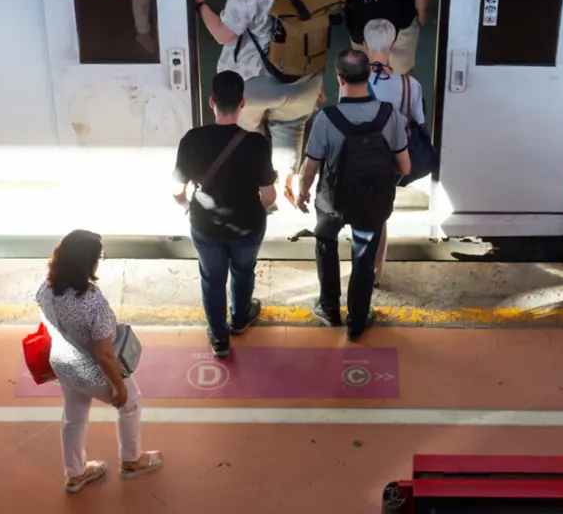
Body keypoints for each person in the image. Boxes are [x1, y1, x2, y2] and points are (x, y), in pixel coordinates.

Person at [196, 0, 324, 204]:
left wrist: (202, 6)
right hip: (303, 82)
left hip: (253, 84)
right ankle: (286, 186)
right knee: (290, 131)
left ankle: (257, 192)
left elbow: (223, 34)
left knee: (247, 135)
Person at [35, 230, 163, 493]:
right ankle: (132, 460)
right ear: (87, 263)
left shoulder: (45, 290)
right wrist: (118, 386)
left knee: (74, 416)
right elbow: (104, 355)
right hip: (93, 374)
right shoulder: (93, 303)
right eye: (98, 256)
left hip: (63, 363)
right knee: (130, 405)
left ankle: (76, 474)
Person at [297, 50, 410, 342]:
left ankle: (329, 308)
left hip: (332, 202)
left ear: (339, 78)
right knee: (363, 257)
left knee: (325, 244)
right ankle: (357, 322)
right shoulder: (389, 115)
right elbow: (405, 165)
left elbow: (310, 167)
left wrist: (303, 192)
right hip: (372, 202)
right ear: (369, 76)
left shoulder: (326, 118)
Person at [173, 70, 277, 357]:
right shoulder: (257, 144)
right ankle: (241, 319)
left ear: (211, 102)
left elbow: (176, 190)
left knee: (212, 278)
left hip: (206, 226)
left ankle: (219, 338)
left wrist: (185, 205)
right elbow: (268, 196)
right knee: (243, 271)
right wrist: (256, 210)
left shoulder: (192, 140)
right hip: (247, 226)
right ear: (242, 103)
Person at [362, 19, 427, 287]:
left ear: (365, 46)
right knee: (381, 215)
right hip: (393, 161)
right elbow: (419, 123)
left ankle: (361, 267)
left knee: (364, 212)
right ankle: (376, 274)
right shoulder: (410, 85)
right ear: (393, 45)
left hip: (361, 158)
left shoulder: (352, 83)